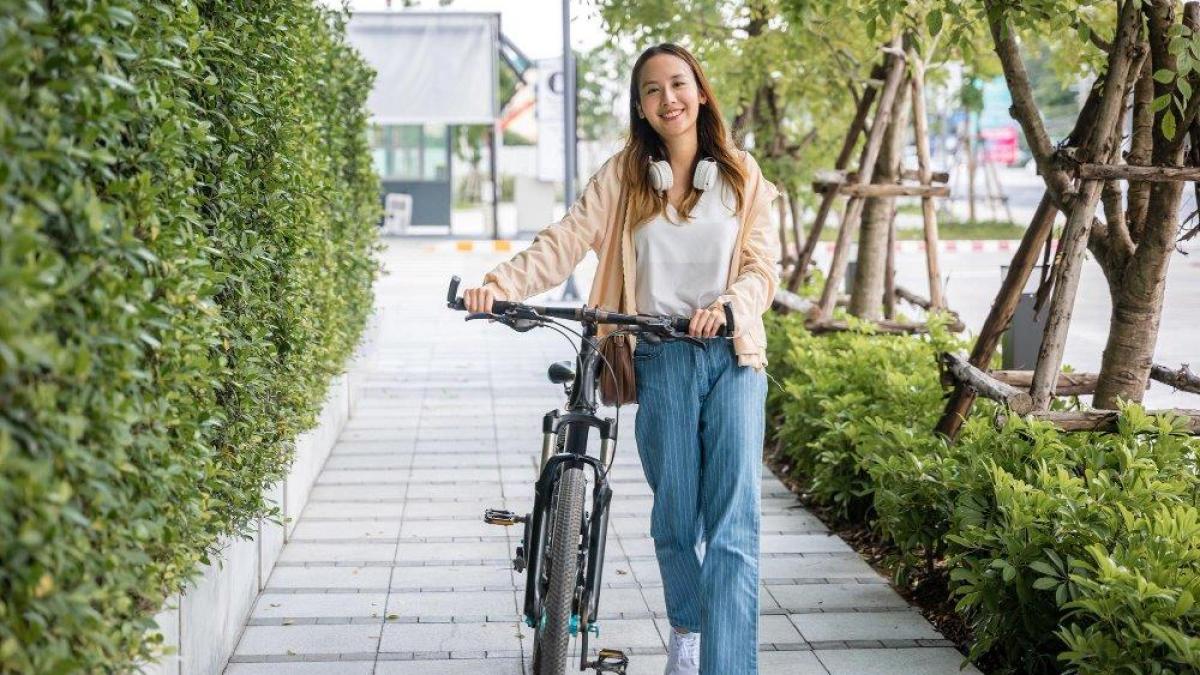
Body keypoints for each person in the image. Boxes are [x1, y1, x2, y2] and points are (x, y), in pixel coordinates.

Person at [462, 42, 780, 675]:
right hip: (660, 359)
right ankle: (688, 630)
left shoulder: (743, 176)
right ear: (641, 106)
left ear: (701, 91)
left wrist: (729, 305)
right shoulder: (625, 177)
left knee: (734, 527)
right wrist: (499, 286)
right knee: (673, 520)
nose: (670, 99)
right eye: (653, 90)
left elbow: (762, 268)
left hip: (731, 357)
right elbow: (566, 239)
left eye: (679, 84)